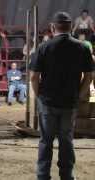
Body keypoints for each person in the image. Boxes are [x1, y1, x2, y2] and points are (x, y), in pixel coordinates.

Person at [30, 12, 94, 180]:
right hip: (69, 102)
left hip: (48, 102)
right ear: (70, 26)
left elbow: (34, 77)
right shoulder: (82, 47)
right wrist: (79, 95)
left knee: (46, 141)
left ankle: (43, 176)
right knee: (66, 140)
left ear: (53, 27)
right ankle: (66, 176)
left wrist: (39, 96)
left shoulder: (44, 47)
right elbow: (89, 77)